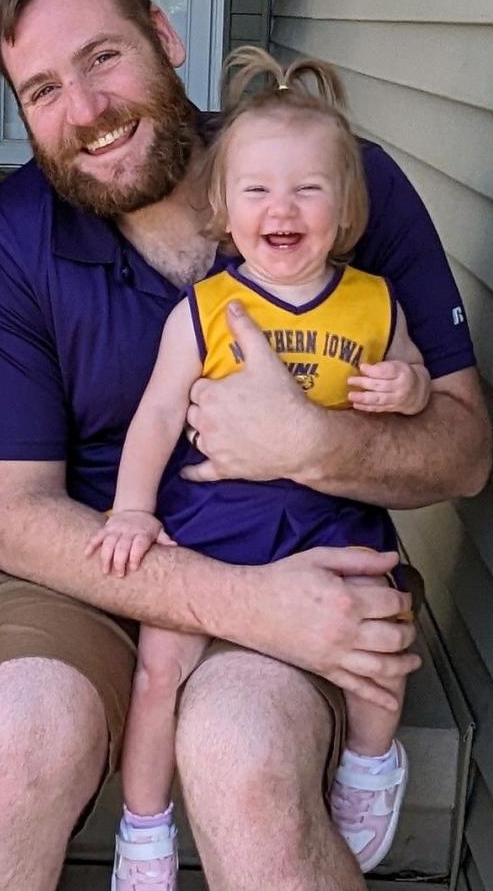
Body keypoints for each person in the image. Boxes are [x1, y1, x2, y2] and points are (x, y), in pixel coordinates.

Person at [0, 0, 490, 891]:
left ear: (166, 36)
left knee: (241, 754)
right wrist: (237, 601)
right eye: (42, 89)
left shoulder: (323, 181)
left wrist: (314, 442)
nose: (86, 112)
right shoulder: (8, 244)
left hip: (290, 537)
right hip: (91, 562)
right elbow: (12, 514)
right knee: (8, 754)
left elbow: (462, 451)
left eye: (103, 58)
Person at [87, 47, 432, 887]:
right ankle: (143, 823)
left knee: (382, 630)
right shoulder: (206, 308)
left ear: (346, 206)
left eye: (309, 189)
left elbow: (418, 379)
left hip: (329, 517)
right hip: (217, 520)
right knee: (161, 661)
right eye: (258, 190)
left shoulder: (374, 301)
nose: (283, 208)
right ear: (224, 210)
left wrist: (405, 383)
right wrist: (132, 509)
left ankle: (369, 763)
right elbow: (160, 414)